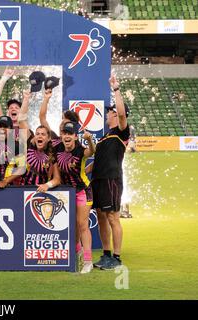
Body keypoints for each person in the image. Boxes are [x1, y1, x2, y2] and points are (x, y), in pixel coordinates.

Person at [91, 75, 131, 270]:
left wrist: (116, 89)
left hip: (111, 179)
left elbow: (123, 115)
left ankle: (116, 257)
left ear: (116, 115)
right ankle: (106, 254)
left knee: (113, 217)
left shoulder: (121, 132)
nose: (107, 114)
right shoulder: (104, 137)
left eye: (110, 112)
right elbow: (96, 162)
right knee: (100, 216)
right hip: (98, 180)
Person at [55, 121, 96, 274]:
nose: (67, 136)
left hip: (83, 191)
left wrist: (90, 140)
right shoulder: (57, 148)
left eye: (70, 134)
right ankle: (77, 255)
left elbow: (91, 152)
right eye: (64, 133)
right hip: (67, 193)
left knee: (82, 224)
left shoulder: (80, 150)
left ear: (75, 137)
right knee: (72, 226)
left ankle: (88, 261)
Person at [18, 89, 61, 190]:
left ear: (48, 138)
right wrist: (26, 99)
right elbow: (21, 120)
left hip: (41, 191)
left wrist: (47, 185)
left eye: (43, 134)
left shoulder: (53, 152)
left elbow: (57, 179)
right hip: (21, 190)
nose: (39, 136)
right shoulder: (31, 143)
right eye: (37, 134)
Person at [0, 67, 22, 138]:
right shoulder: (3, 123)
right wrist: (4, 78)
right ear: (8, 112)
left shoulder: (24, 127)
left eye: (16, 108)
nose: (13, 109)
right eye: (11, 108)